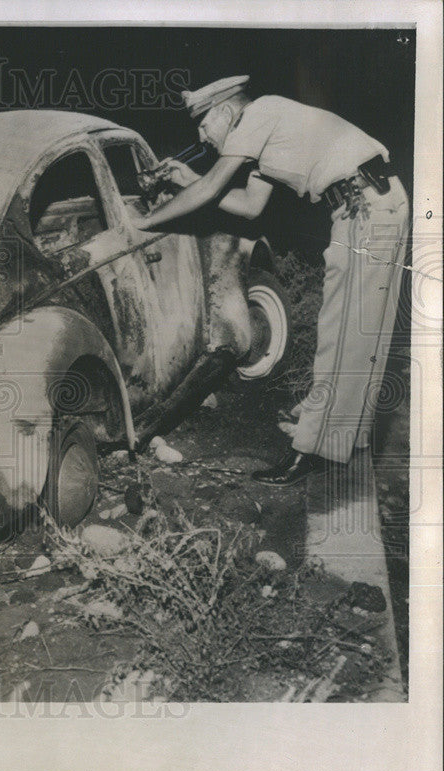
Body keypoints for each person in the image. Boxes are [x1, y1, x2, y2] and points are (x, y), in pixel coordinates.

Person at [135, 76, 410, 486]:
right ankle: (338, 438)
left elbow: (212, 187)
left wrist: (144, 224)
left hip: (365, 207)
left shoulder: (260, 113)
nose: (202, 136)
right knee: (353, 331)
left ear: (227, 111)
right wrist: (187, 180)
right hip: (368, 203)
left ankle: (312, 452)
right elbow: (248, 206)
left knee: (344, 333)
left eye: (204, 124)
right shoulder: (265, 138)